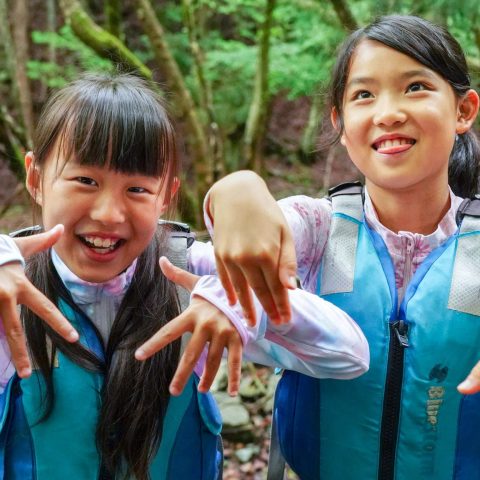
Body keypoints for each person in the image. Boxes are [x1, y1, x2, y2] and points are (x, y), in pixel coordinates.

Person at [0, 73, 369, 479]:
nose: (108, 214)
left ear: (166, 197)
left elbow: (349, 354)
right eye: (85, 181)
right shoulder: (9, 291)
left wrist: (241, 306)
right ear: (35, 179)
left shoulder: (194, 277)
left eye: (137, 189)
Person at [205, 14, 480, 480]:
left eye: (415, 87)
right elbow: (258, 226)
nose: (388, 113)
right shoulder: (319, 230)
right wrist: (235, 190)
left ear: (463, 111)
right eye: (364, 95)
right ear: (341, 123)